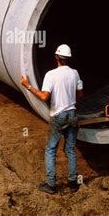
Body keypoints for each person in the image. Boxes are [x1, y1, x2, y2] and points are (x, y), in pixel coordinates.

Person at [20, 44, 84, 194]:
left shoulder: (51, 75)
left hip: (59, 116)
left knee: (50, 149)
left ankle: (50, 184)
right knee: (70, 149)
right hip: (72, 115)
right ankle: (73, 183)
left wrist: (27, 85)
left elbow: (44, 96)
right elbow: (80, 94)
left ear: (56, 57)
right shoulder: (74, 73)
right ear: (68, 58)